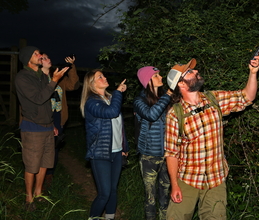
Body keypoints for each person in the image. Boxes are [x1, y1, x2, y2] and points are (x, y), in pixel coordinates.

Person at [164, 53, 259, 220]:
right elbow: (171, 154)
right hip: (188, 178)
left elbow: (247, 97)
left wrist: (253, 73)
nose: (195, 72)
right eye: (189, 72)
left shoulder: (214, 99)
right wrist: (174, 185)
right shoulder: (175, 114)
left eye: (193, 69)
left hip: (216, 178)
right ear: (181, 83)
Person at [15, 46, 69, 211]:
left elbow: (48, 104)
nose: (39, 56)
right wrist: (54, 80)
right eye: (35, 54)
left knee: (45, 162)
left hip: (47, 127)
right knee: (32, 165)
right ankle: (28, 198)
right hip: (32, 127)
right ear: (27, 59)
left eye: (39, 53)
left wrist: (52, 123)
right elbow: (39, 99)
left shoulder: (42, 77)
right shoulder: (22, 77)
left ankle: (39, 194)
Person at [80, 69, 129, 220]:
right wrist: (118, 93)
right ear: (92, 84)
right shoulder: (91, 102)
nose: (104, 77)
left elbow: (119, 126)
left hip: (117, 151)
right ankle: (93, 217)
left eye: (103, 75)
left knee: (113, 190)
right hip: (100, 153)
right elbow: (111, 112)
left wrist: (124, 147)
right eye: (99, 77)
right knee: (104, 193)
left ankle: (109, 217)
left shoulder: (109, 98)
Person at [133, 66, 172, 220]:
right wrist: (167, 95)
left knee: (165, 195)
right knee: (150, 197)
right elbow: (151, 114)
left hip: (167, 155)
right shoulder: (139, 100)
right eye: (156, 76)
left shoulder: (165, 98)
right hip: (149, 156)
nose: (161, 77)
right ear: (147, 81)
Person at [40, 52, 80, 187]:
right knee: (40, 145)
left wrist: (72, 67)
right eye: (44, 58)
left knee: (54, 146)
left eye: (48, 57)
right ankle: (37, 173)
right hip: (41, 116)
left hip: (58, 116)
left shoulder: (60, 79)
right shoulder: (36, 79)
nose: (49, 59)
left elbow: (74, 85)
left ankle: (49, 173)